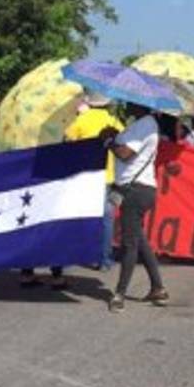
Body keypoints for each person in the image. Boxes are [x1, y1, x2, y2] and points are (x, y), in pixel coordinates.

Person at [104, 104, 168, 312]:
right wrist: (115, 136)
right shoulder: (140, 124)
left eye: (130, 99)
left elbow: (125, 154)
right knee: (139, 240)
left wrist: (109, 141)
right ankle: (158, 288)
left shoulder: (145, 124)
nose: (126, 102)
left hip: (136, 191)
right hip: (134, 189)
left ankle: (119, 295)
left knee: (129, 244)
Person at [64, 93, 124, 270]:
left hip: (85, 175)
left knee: (79, 215)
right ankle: (105, 260)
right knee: (107, 218)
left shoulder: (81, 120)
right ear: (107, 105)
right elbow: (122, 141)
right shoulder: (113, 121)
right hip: (109, 175)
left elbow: (67, 140)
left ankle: (75, 256)